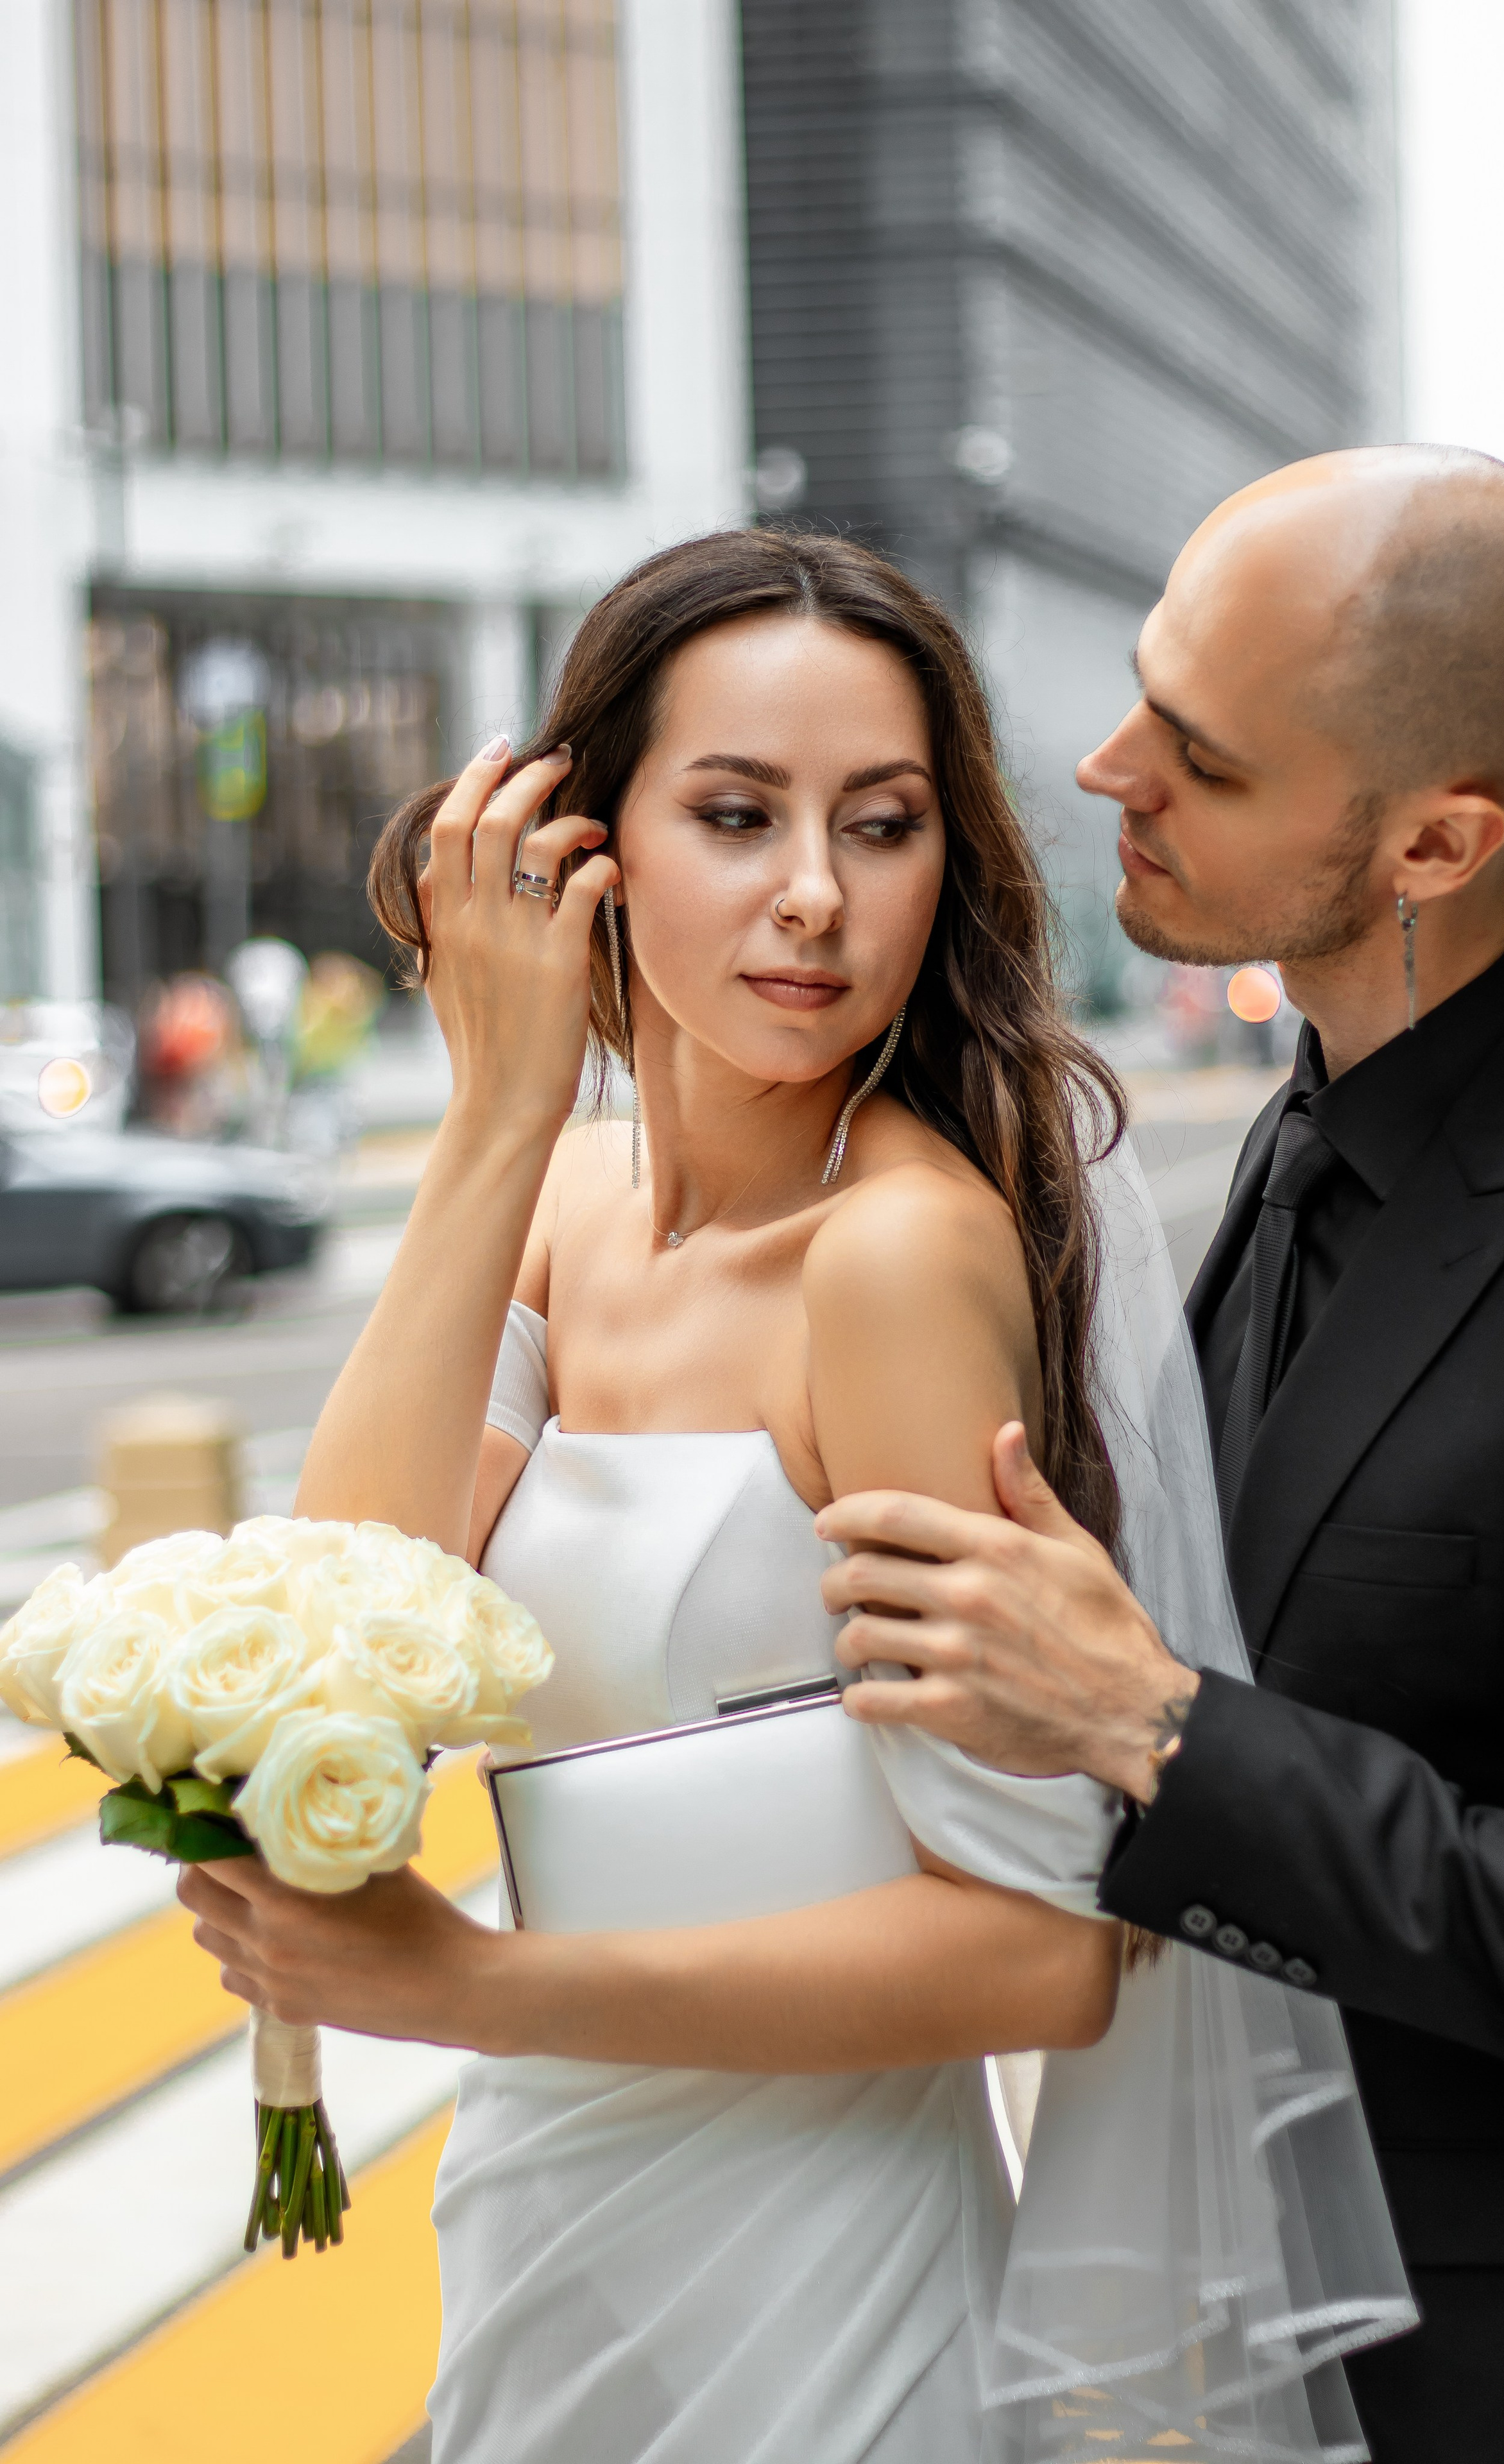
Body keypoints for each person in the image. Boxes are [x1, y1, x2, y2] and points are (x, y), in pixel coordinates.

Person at [176, 529, 1406, 2464]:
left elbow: (1042, 1950)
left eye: (886, 824)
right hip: (539, 2227)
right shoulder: (559, 1207)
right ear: (586, 848)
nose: (817, 899)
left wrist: (486, 1985)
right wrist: (495, 1122)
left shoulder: (893, 1261)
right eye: (738, 815)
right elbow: (342, 1645)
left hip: (825, 2295)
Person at [821, 447, 1504, 2462]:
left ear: (1435, 840)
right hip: (1233, 2327)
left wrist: (1167, 1729)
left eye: (1202, 752)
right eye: (1139, 691)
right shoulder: (1292, 1136)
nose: (1109, 769)